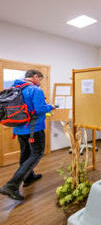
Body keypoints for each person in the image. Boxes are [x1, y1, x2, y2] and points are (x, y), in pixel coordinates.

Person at [0, 69, 55, 201]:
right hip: (34, 129)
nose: (40, 82)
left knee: (25, 153)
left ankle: (29, 177)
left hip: (19, 129)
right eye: (40, 79)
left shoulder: (14, 88)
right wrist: (51, 106)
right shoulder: (35, 90)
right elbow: (40, 109)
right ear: (35, 77)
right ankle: (11, 186)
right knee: (37, 153)